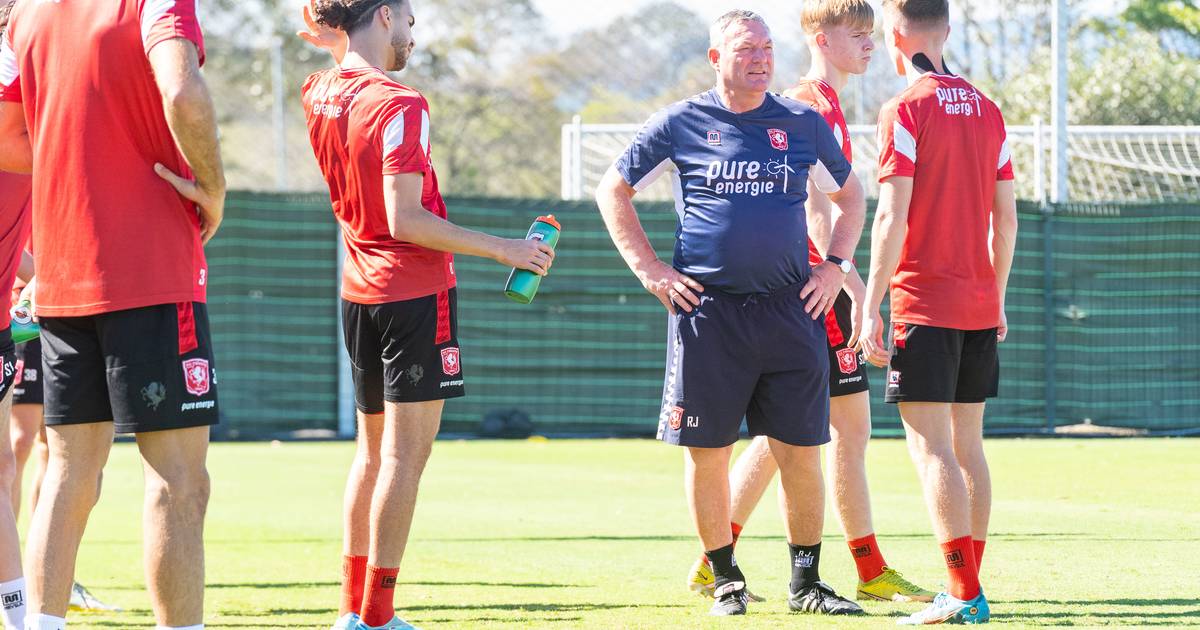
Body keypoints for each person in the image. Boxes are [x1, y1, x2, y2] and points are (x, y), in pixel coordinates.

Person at [596, 9, 868, 617]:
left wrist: (835, 266)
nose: (761, 58)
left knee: (801, 449)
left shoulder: (800, 121)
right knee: (709, 452)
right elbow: (611, 189)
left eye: (767, 48)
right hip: (708, 316)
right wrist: (652, 272)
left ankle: (807, 583)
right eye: (747, 49)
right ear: (716, 58)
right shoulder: (680, 122)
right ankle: (725, 578)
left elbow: (852, 197)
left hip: (789, 310)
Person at [298, 2, 554, 628]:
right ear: (384, 17)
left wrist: (326, 28)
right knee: (402, 462)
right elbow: (405, 219)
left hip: (359, 292)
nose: (415, 33)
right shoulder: (400, 102)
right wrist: (506, 249)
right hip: (412, 293)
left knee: (370, 456)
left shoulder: (319, 90)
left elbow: (332, 55)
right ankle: (378, 617)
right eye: (409, 19)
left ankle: (351, 614)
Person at [686, 0, 937, 606]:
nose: (869, 44)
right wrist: (849, 286)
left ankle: (717, 560)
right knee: (826, 433)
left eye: (872, 34)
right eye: (856, 34)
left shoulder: (823, 102)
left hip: (810, 289)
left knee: (801, 434)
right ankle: (861, 569)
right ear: (821, 40)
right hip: (810, 292)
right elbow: (817, 209)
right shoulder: (807, 104)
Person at [0, 0, 226, 627]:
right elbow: (182, 89)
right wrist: (213, 186)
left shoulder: (26, 14)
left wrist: (80, 161)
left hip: (63, 272)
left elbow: (7, 139)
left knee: (69, 475)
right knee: (180, 481)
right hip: (150, 267)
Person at [858, 0, 1018, 624]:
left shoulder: (905, 108)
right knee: (968, 446)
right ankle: (972, 588)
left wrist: (872, 304)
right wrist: (996, 294)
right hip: (978, 303)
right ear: (946, 31)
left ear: (896, 37)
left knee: (932, 451)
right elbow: (1005, 220)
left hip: (924, 303)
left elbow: (892, 215)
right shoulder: (989, 109)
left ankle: (963, 594)